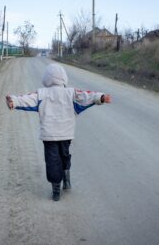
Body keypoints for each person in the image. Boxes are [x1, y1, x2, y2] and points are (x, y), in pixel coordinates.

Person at [6, 63, 112, 201]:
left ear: (46, 79)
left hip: (49, 136)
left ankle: (56, 189)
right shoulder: (71, 93)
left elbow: (27, 99)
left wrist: (14, 101)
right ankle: (66, 178)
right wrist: (101, 97)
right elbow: (87, 96)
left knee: (52, 160)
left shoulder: (41, 94)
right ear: (64, 78)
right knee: (64, 155)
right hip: (66, 134)